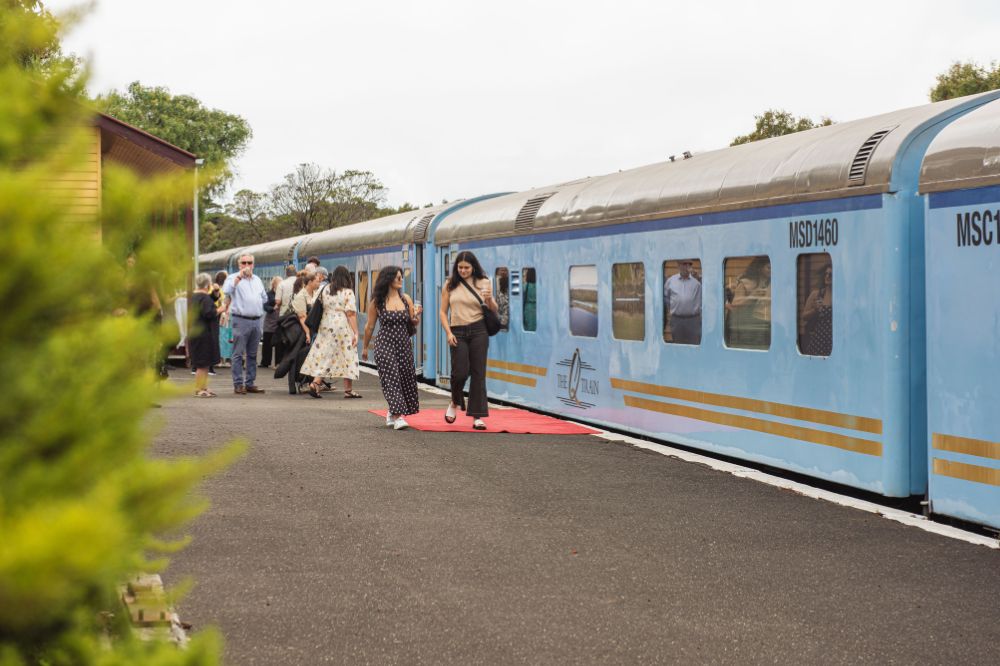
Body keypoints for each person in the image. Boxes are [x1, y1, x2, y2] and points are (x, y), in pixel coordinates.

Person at [438, 251, 497, 430]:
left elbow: (494, 308)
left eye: (467, 268)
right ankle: (455, 402)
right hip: (458, 331)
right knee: (460, 372)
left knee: (479, 373)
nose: (463, 270)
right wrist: (448, 333)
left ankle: (477, 417)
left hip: (479, 329)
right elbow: (442, 312)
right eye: (460, 267)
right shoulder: (450, 284)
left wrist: (488, 299)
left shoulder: (484, 282)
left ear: (473, 267)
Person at [361, 266, 422, 430]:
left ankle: (391, 411)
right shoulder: (377, 302)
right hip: (385, 344)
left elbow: (412, 323)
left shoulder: (406, 299)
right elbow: (369, 326)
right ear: (388, 279)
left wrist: (416, 317)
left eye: (401, 276)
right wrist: (365, 347)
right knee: (392, 378)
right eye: (397, 277)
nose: (401, 279)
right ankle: (397, 416)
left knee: (404, 378)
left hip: (403, 345)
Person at [300, 266, 361, 399]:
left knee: (324, 354)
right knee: (348, 355)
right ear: (347, 278)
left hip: (326, 324)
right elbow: (350, 314)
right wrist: (356, 332)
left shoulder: (325, 289)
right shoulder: (348, 292)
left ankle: (316, 383)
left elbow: (314, 303)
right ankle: (348, 390)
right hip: (342, 326)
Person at [222, 253, 268, 394]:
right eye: (244, 263)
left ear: (253, 264)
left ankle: (250, 382)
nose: (247, 265)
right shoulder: (233, 278)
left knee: (252, 354)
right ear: (239, 265)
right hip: (241, 320)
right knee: (238, 354)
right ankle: (238, 384)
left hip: (256, 320)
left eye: (249, 263)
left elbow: (264, 298)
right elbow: (227, 290)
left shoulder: (257, 280)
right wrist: (239, 277)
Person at [189, 273, 222, 397]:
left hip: (199, 334)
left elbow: (209, 300)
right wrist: (220, 309)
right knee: (202, 365)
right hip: (203, 335)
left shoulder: (197, 296)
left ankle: (204, 387)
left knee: (205, 363)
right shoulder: (203, 298)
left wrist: (216, 292)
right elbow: (209, 312)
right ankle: (199, 389)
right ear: (208, 285)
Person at [727, 256, 771, 349]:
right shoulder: (745, 282)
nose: (771, 270)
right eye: (768, 267)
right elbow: (735, 303)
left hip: (765, 323)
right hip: (747, 324)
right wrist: (753, 296)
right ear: (759, 268)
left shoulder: (772, 283)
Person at [663, 260, 702, 344]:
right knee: (678, 347)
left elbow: (705, 297)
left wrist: (699, 279)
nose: (687, 266)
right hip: (677, 320)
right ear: (678, 265)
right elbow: (665, 297)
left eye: (689, 264)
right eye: (684, 264)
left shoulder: (697, 282)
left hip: (693, 321)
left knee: (695, 347)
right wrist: (672, 308)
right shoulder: (671, 281)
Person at [801, 263, 833, 356]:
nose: (827, 277)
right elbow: (804, 316)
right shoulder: (816, 294)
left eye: (830, 274)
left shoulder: (841, 296)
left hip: (834, 339)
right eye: (826, 274)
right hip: (819, 339)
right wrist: (814, 310)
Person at [261, 275, 282, 368]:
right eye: (278, 283)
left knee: (279, 343)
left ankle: (278, 362)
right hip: (270, 321)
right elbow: (265, 306)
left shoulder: (283, 293)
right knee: (267, 342)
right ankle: (265, 362)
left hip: (279, 321)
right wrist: (273, 308)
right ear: (274, 285)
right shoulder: (268, 294)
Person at [215, 271, 232, 368]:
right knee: (229, 337)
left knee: (220, 338)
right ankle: (228, 359)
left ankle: (220, 359)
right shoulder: (228, 290)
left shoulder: (215, 290)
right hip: (228, 316)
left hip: (219, 315)